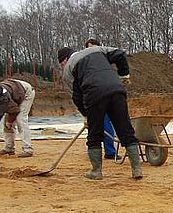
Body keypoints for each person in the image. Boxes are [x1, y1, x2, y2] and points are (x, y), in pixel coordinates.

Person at [57, 45, 142, 180]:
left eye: (61, 63)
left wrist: (86, 114)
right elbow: (120, 54)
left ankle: (96, 171)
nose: (62, 66)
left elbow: (76, 96)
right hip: (117, 90)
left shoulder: (68, 70)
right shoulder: (98, 50)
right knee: (126, 130)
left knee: (95, 134)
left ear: (66, 59)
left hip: (93, 94)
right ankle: (136, 170)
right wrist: (124, 75)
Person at [84, 38, 121, 160]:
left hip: (108, 94)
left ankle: (108, 151)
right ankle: (95, 150)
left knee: (107, 124)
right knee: (96, 124)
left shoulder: (105, 61)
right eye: (90, 48)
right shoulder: (84, 63)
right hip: (93, 96)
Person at [0, 78, 35, 158]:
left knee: (20, 119)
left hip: (26, 93)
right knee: (6, 122)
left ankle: (28, 149)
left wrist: (10, 121)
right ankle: (9, 148)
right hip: (15, 94)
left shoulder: (3, 96)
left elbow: (14, 109)